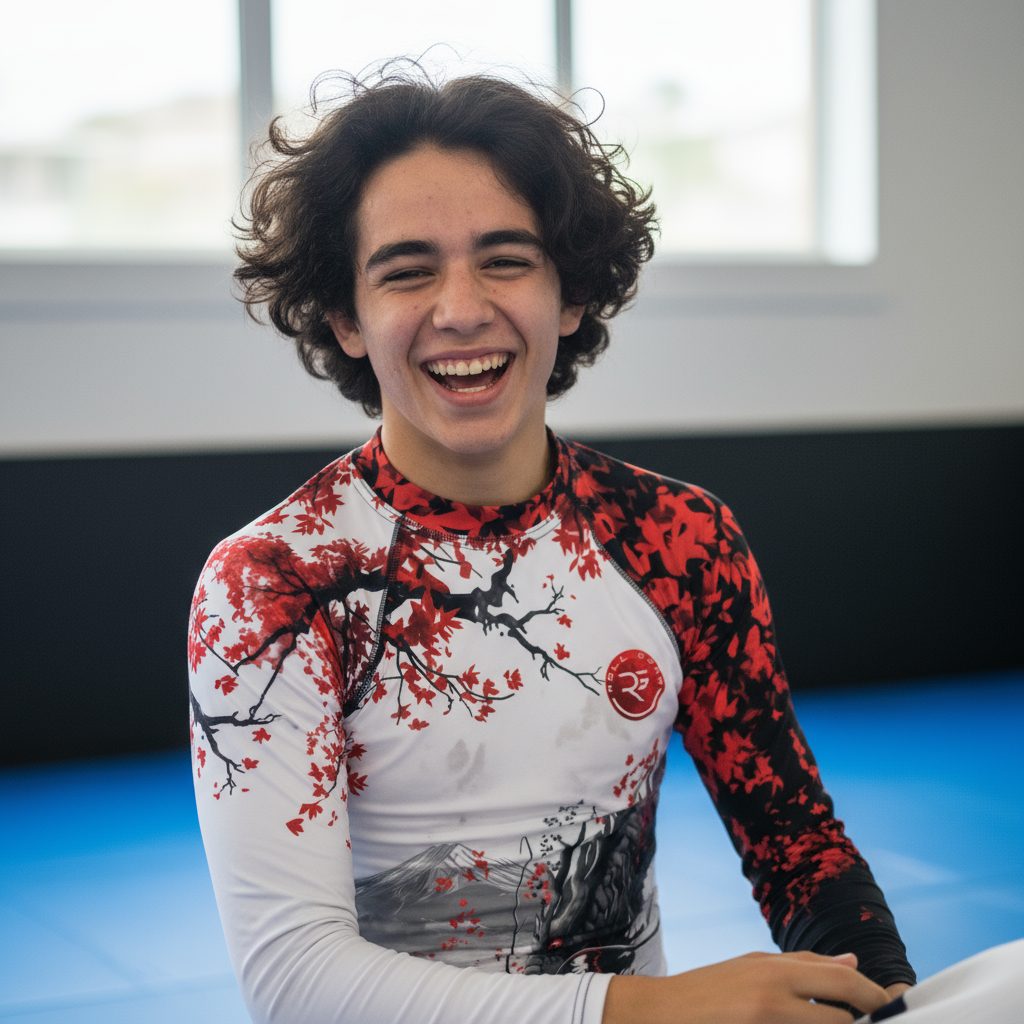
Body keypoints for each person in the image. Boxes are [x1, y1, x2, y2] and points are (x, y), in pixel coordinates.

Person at [187, 69, 1017, 1024]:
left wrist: (883, 995)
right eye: (408, 270)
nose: (460, 308)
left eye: (506, 259)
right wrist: (646, 1010)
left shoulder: (676, 540)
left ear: (570, 294)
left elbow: (796, 843)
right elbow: (294, 983)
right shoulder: (273, 586)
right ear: (346, 317)